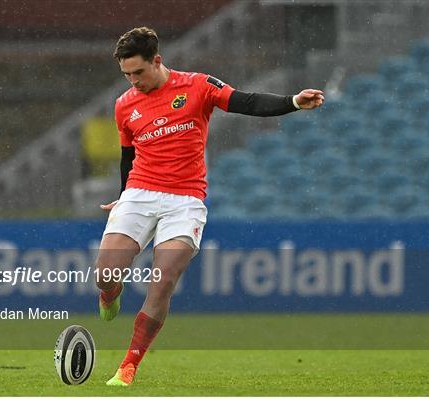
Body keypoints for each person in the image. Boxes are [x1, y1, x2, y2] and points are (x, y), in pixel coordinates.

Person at [95, 27, 324, 386]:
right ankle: (110, 296)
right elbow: (128, 155)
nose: (133, 81)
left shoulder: (198, 86)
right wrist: (124, 195)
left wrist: (292, 102)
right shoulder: (124, 105)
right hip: (140, 193)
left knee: (163, 281)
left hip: (185, 201)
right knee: (105, 275)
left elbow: (246, 102)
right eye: (126, 75)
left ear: (157, 60)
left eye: (138, 72)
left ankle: (128, 366)